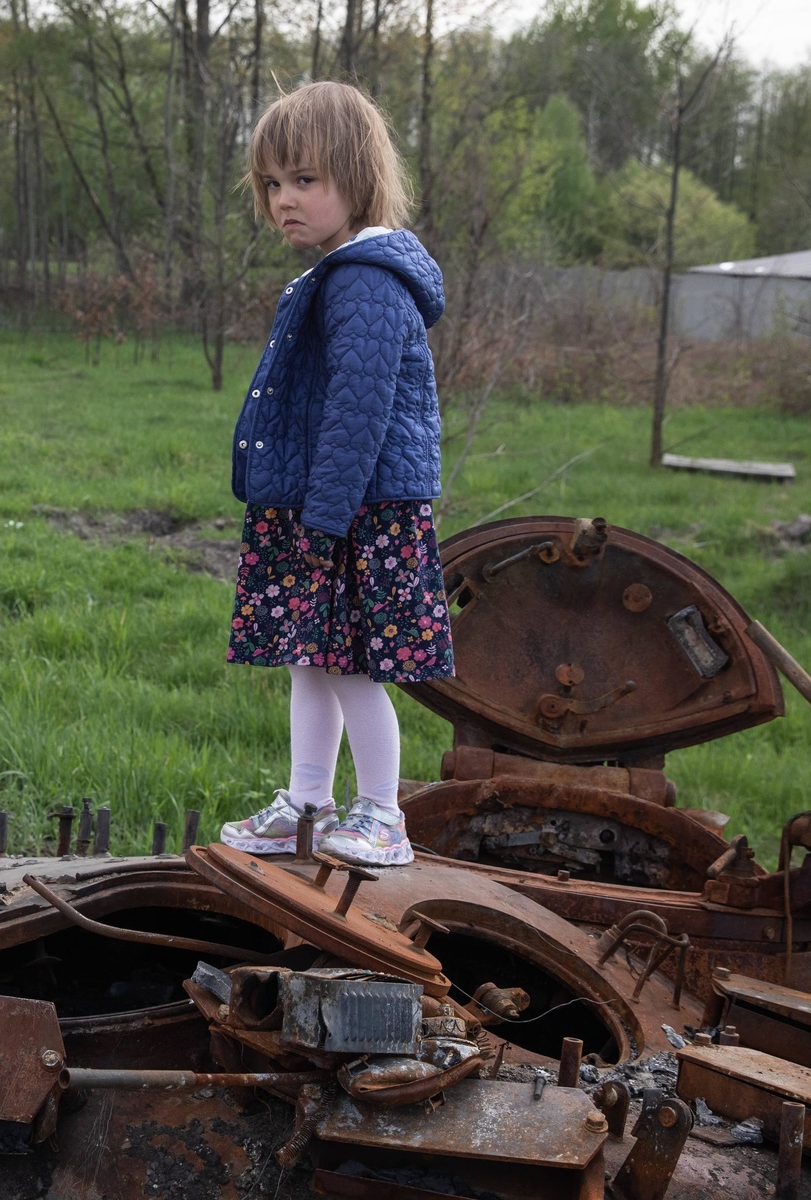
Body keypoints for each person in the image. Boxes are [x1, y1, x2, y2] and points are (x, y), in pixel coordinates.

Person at [218, 80, 453, 868]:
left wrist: (324, 519)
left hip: (355, 509)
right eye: (273, 184)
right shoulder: (339, 273)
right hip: (322, 504)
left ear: (357, 175)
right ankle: (308, 802)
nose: (285, 200)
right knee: (309, 658)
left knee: (350, 664)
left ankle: (384, 814)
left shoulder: (365, 281)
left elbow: (360, 410)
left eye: (305, 180)